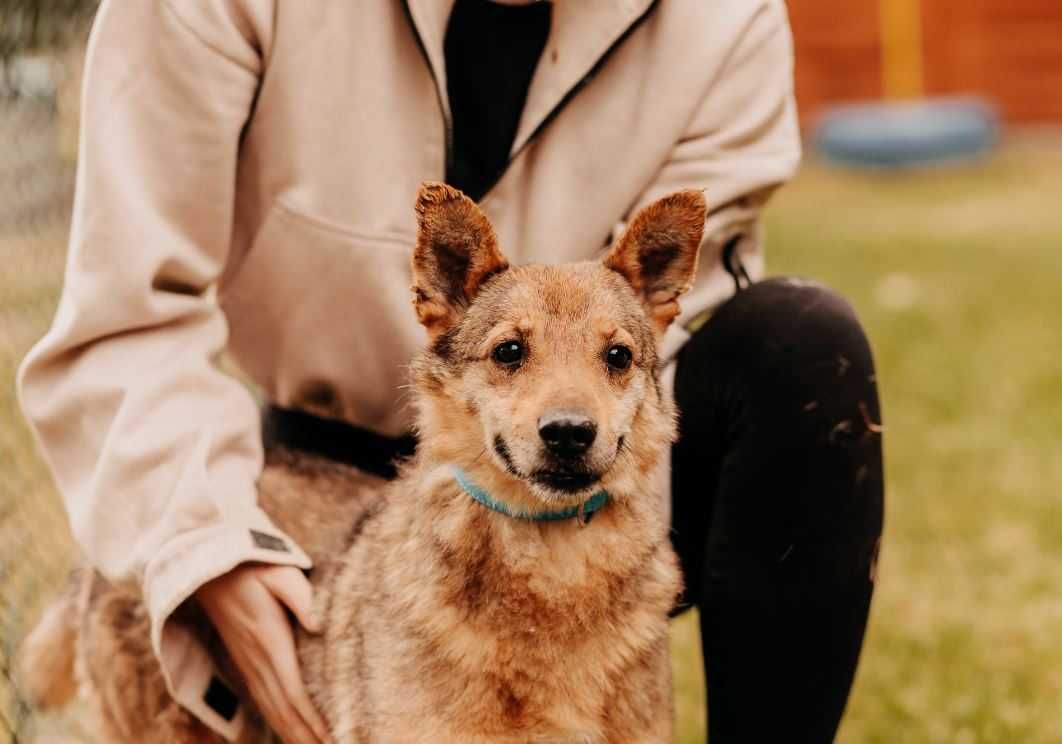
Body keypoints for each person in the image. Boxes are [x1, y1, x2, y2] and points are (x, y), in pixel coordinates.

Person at [18, 0, 883, 742]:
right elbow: (126, 314)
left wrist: (591, 581)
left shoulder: (728, 20)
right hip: (324, 448)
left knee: (802, 345)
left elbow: (665, 328)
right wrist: (206, 546)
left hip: (607, 486)